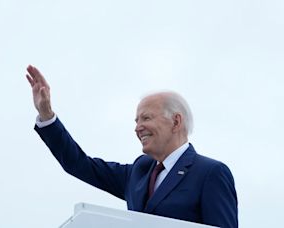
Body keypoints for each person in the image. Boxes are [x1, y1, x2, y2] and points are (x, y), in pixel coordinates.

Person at [25, 65, 238, 228]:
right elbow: (79, 164)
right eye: (136, 121)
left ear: (176, 121)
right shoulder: (139, 171)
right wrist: (47, 115)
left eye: (146, 118)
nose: (138, 128)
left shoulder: (210, 173)